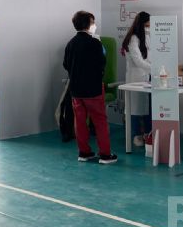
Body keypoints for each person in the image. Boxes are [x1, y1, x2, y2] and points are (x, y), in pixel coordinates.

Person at [63, 10, 117, 165]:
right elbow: (102, 64)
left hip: (76, 90)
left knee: (80, 122)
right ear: (88, 24)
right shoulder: (95, 43)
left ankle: (84, 152)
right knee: (100, 121)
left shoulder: (70, 44)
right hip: (93, 89)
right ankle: (105, 154)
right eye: (93, 22)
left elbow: (66, 64)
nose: (94, 25)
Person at [122, 11, 152, 147]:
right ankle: (135, 134)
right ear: (141, 25)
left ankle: (147, 133)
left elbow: (150, 56)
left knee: (147, 108)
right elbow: (138, 61)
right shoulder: (133, 38)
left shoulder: (148, 36)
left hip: (147, 77)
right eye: (147, 26)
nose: (148, 28)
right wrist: (155, 68)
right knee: (135, 108)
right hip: (136, 77)